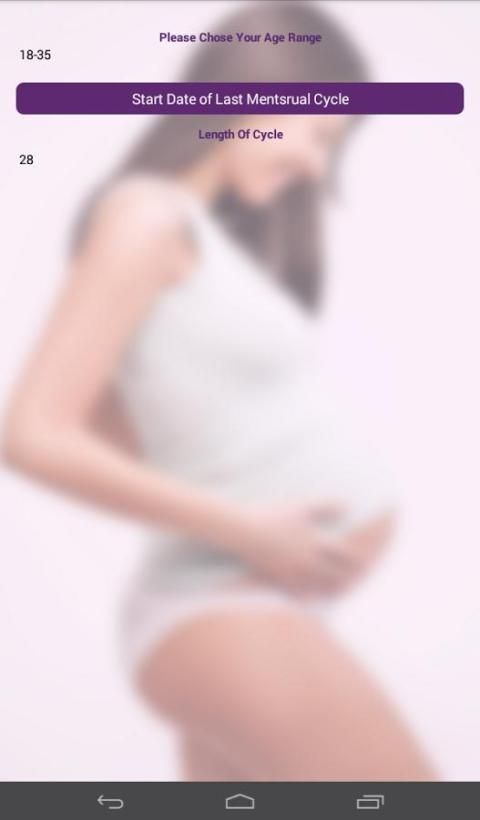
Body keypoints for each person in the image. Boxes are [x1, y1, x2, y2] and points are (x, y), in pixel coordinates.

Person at [2, 2, 435, 781]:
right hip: (221, 604)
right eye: (318, 135)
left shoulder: (197, 233)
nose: (317, 168)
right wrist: (245, 528)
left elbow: (106, 422)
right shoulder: (146, 215)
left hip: (250, 601)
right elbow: (31, 433)